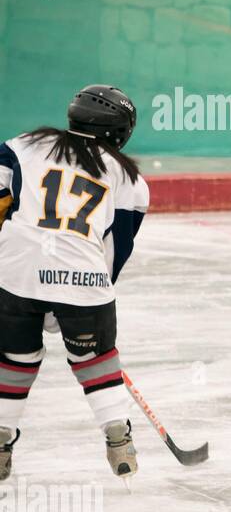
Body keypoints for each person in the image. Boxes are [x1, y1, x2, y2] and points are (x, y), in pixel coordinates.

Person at [0, 86, 149, 480]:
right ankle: (118, 436)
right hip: (84, 279)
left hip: (14, 272)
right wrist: (80, 292)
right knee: (96, 360)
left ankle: (0, 438)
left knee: (15, 359)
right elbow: (115, 250)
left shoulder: (25, 145)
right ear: (120, 133)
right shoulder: (130, 179)